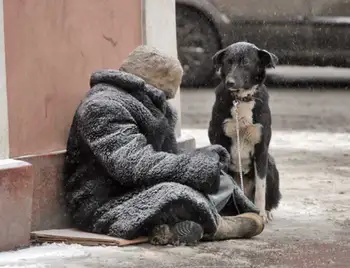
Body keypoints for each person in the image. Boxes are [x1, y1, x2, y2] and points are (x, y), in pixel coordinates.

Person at [63, 45, 264, 246]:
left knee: (218, 177)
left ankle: (177, 227)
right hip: (103, 203)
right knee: (174, 193)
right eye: (166, 94)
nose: (168, 101)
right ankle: (216, 227)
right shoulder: (103, 106)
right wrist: (192, 167)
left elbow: (167, 157)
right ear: (150, 85)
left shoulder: (148, 106)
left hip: (139, 187)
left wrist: (202, 159)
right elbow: (133, 164)